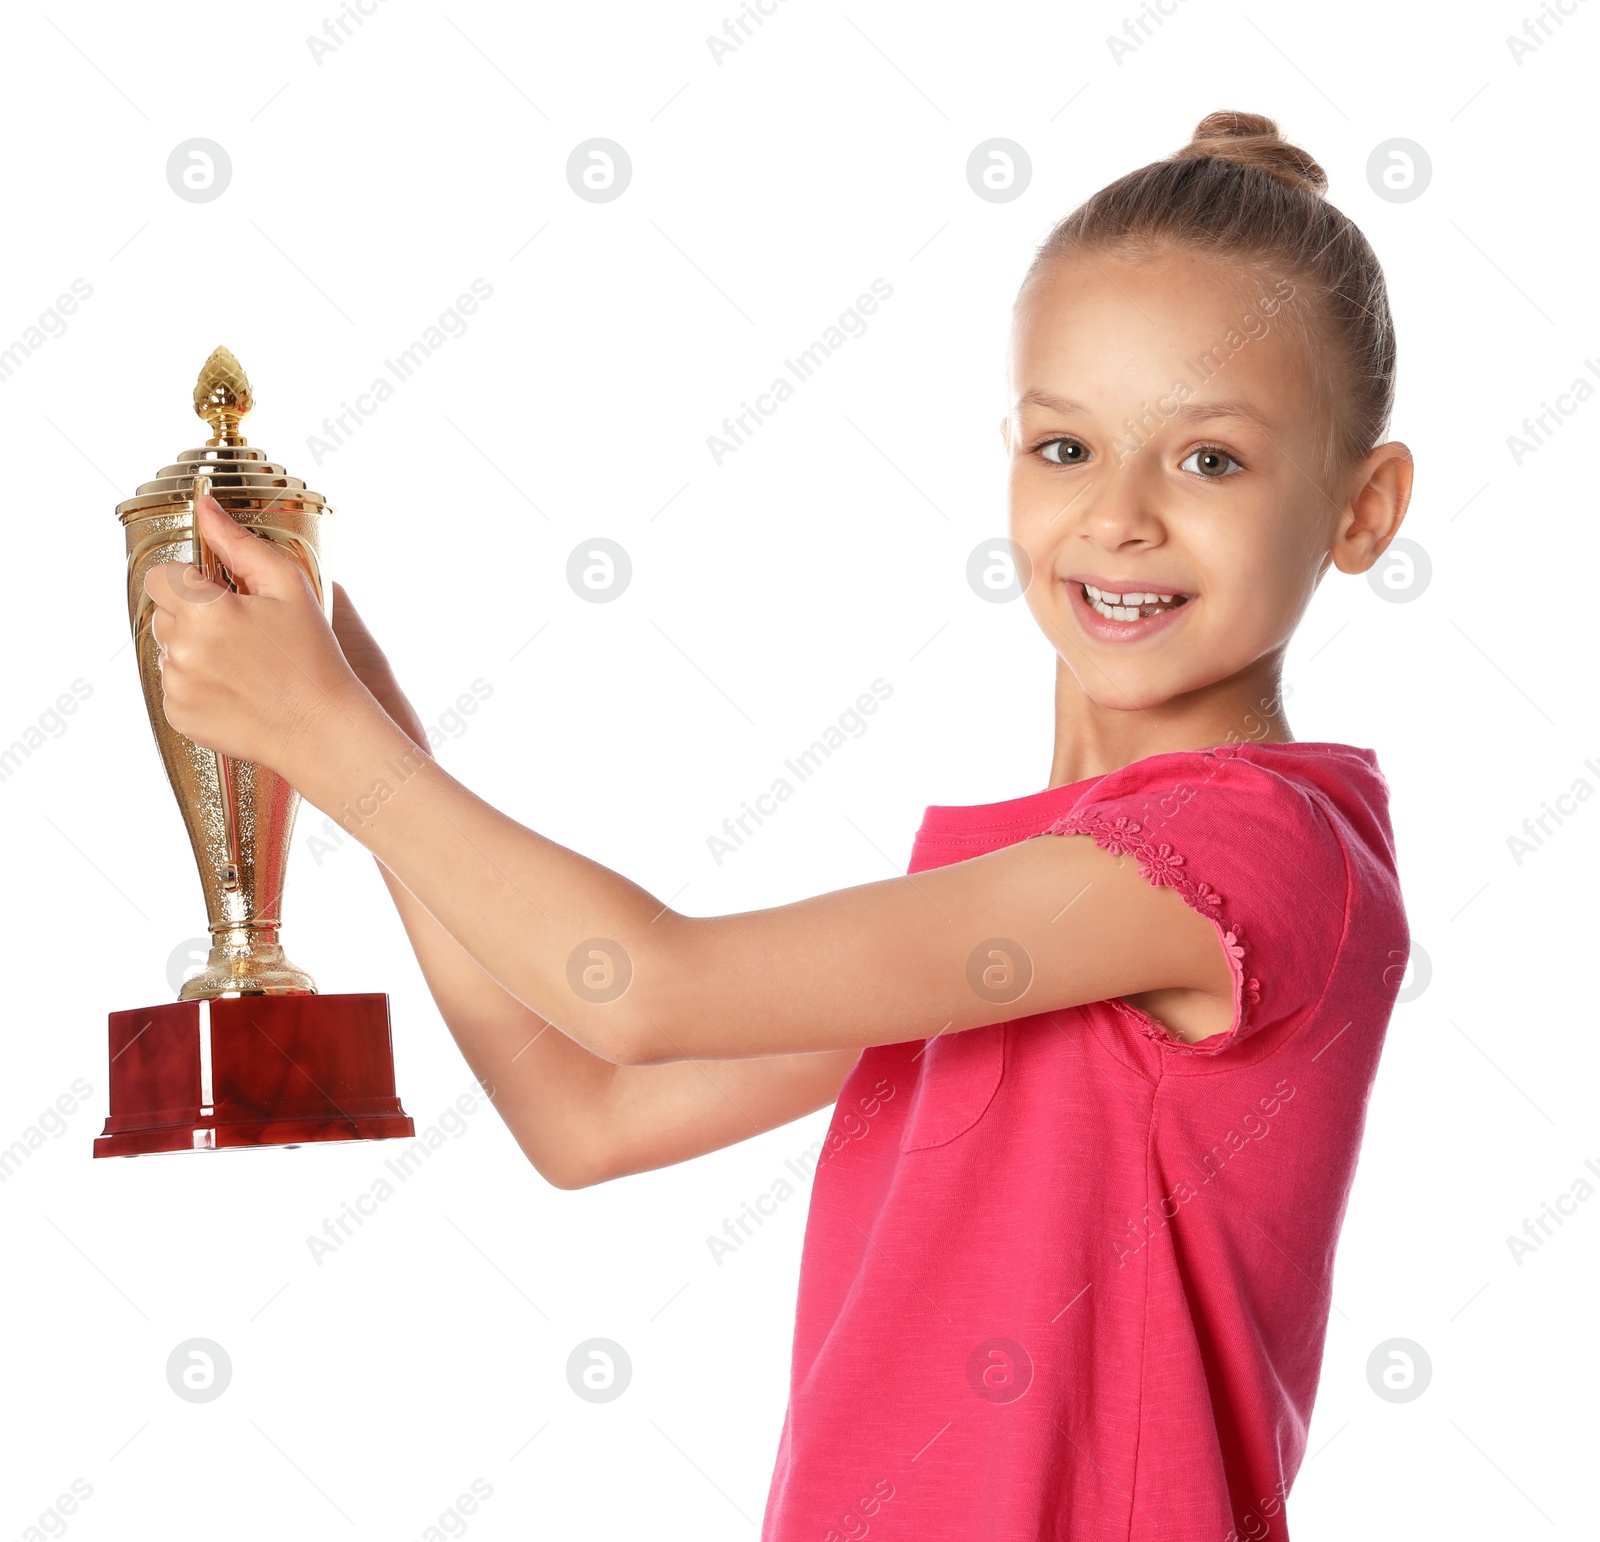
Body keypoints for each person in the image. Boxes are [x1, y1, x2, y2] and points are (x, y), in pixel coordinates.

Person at [143, 108, 1413, 1542]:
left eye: (1212, 462)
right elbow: (587, 1109)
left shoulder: (1247, 860)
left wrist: (331, 738)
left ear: (1363, 508)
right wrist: (357, 717)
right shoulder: (1003, 911)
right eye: (1066, 445)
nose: (1116, 516)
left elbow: (647, 989)